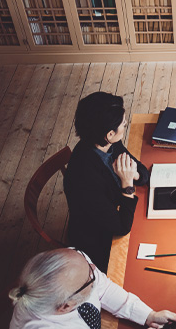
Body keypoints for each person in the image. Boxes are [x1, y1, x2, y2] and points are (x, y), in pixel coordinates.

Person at [8, 248, 176, 329]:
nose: (94, 269)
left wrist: (149, 315)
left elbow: (103, 288)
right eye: (90, 277)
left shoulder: (73, 264)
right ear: (66, 306)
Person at [64, 92, 149, 272]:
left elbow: (142, 172)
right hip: (97, 240)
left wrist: (134, 175)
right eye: (123, 125)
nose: (126, 125)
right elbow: (121, 227)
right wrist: (127, 183)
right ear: (110, 134)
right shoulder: (84, 177)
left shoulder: (107, 143)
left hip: (113, 208)